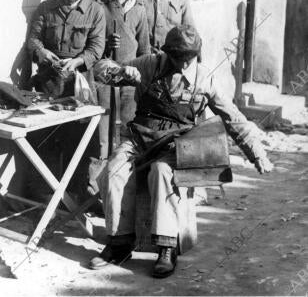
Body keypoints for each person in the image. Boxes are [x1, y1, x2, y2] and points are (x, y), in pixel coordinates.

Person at [89, 25, 273, 278]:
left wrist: (257, 154)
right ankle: (120, 244)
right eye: (178, 58)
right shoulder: (149, 64)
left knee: (162, 173)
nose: (183, 64)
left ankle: (167, 247)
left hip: (177, 143)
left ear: (196, 55)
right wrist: (120, 71)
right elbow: (100, 70)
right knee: (113, 170)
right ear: (168, 53)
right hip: (140, 137)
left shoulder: (204, 78)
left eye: (189, 58)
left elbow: (234, 118)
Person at [26, 0, 105, 200]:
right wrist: (43, 53)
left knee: (80, 140)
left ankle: (78, 195)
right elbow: (33, 39)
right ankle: (44, 194)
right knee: (45, 137)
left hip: (79, 83)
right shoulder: (46, 8)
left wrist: (77, 61)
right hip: (49, 82)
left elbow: (96, 47)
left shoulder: (96, 11)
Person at [89, 0, 150, 159]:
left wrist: (143, 80)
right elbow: (88, 44)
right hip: (104, 79)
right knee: (102, 134)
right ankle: (98, 182)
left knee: (128, 132)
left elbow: (144, 50)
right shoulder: (95, 3)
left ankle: (123, 178)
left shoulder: (138, 7)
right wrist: (106, 44)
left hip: (130, 81)